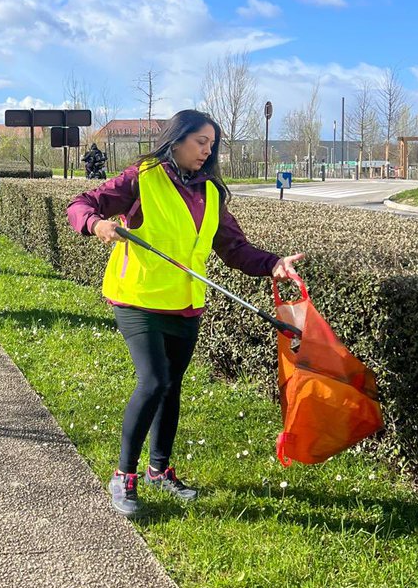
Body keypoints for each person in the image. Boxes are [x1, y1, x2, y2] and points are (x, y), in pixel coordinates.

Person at [66, 109, 303, 516]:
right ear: (176, 140)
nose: (207, 150)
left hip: (186, 304)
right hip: (138, 298)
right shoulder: (142, 177)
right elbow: (82, 203)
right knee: (154, 381)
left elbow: (234, 249)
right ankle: (124, 475)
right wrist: (95, 224)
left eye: (212, 144)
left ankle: (159, 469)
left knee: (171, 386)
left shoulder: (210, 192)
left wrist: (273, 264)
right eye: (200, 142)